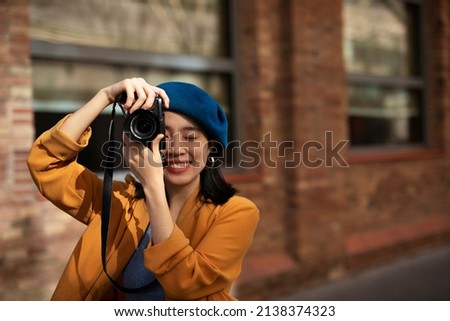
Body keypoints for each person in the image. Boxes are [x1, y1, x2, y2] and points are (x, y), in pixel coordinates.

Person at [26, 77, 259, 301]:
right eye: (163, 136)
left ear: (212, 149)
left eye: (190, 137)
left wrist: (153, 184)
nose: (176, 148)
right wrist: (105, 96)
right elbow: (46, 165)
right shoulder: (120, 203)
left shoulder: (237, 213)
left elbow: (186, 285)